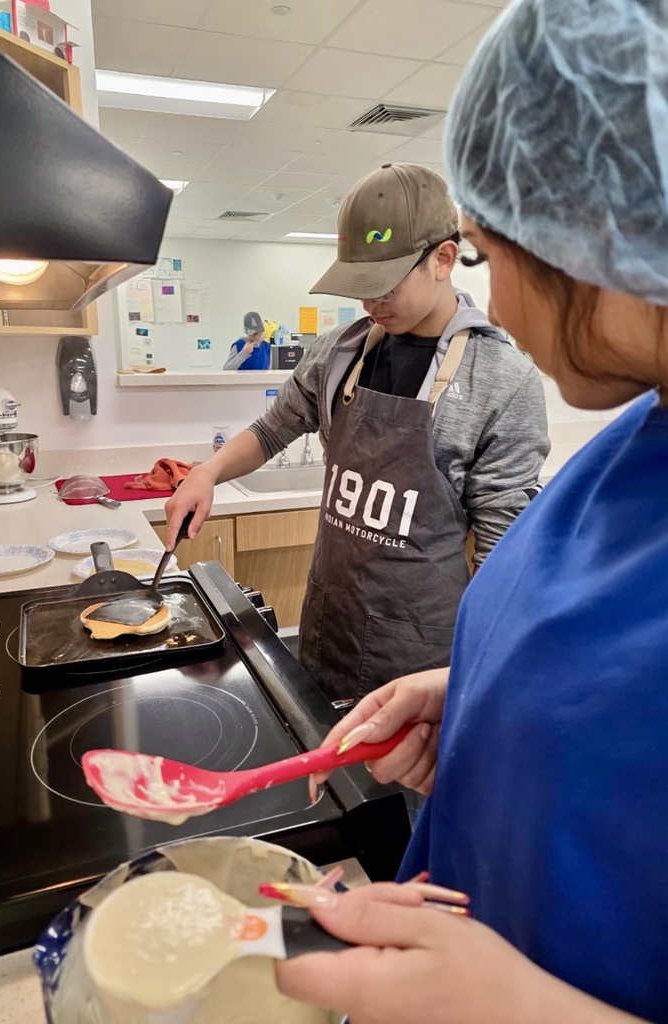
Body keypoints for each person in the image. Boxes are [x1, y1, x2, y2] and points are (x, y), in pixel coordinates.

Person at [271, 0, 668, 1021]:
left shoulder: (499, 382)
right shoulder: (627, 450)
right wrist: (484, 691)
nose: (502, 305)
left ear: (618, 233)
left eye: (494, 257)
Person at [166, 163, 549, 705]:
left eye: (384, 285)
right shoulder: (339, 353)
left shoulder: (502, 381)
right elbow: (275, 429)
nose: (370, 303)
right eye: (358, 286)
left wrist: (483, 670)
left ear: (443, 258)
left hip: (423, 659)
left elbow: (500, 543)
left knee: (398, 789)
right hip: (329, 627)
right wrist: (207, 472)